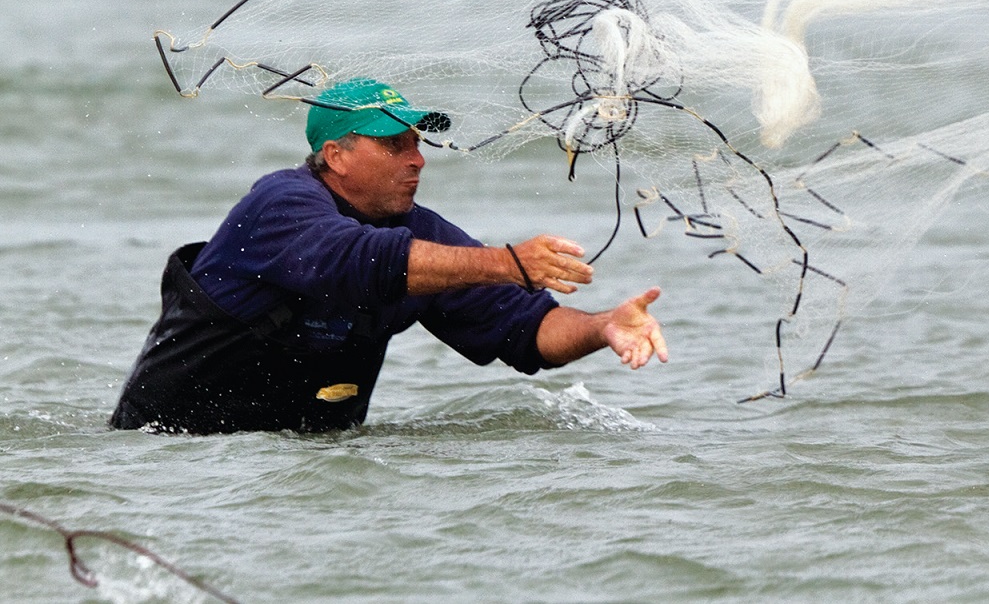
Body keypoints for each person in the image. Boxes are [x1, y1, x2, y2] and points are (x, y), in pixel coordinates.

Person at [111, 76, 667, 434]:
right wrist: (506, 261)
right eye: (394, 145)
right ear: (336, 156)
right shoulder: (279, 203)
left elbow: (528, 330)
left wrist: (603, 327)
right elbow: (358, 260)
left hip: (301, 475)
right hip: (169, 459)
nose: (417, 160)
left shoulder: (423, 234)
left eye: (419, 143)